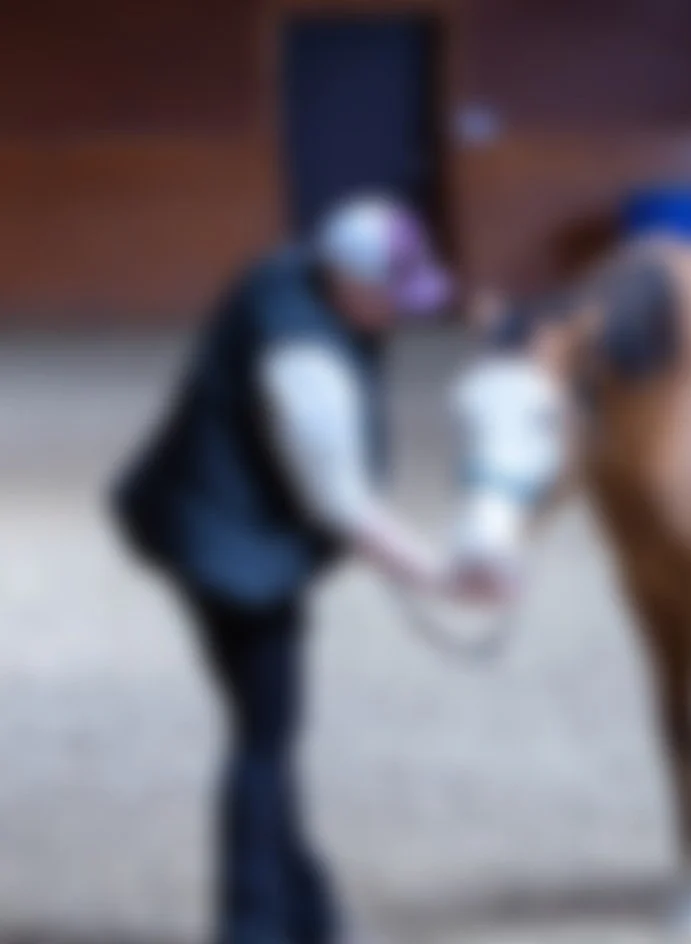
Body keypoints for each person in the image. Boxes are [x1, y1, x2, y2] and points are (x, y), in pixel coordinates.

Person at [111, 194, 485, 944]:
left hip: (203, 517)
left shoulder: (288, 273)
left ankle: (306, 913)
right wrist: (439, 575)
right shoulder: (305, 360)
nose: (401, 312)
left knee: (265, 732)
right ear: (346, 282)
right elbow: (340, 504)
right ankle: (253, 926)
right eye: (391, 295)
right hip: (231, 555)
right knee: (263, 742)